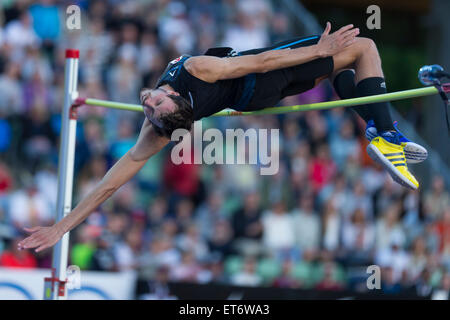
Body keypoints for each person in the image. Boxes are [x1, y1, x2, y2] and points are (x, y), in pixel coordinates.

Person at [18, 22, 427, 253]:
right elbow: (262, 59)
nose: (147, 103)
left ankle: (374, 127)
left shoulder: (162, 124)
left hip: (260, 97)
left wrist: (61, 228)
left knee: (341, 72)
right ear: (174, 97)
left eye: (149, 107)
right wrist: (317, 48)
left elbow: (109, 184)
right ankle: (387, 134)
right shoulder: (196, 69)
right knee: (364, 45)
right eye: (153, 105)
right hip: (268, 75)